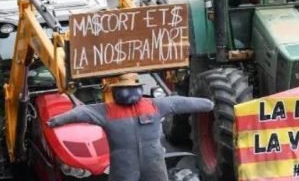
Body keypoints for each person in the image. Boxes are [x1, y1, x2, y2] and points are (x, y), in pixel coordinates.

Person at [47, 73, 214, 181]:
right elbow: (81, 113)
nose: (128, 92)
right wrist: (56, 121)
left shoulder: (151, 106)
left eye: (130, 88)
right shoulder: (109, 111)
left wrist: (209, 104)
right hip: (132, 168)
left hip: (144, 167)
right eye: (124, 89)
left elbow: (181, 103)